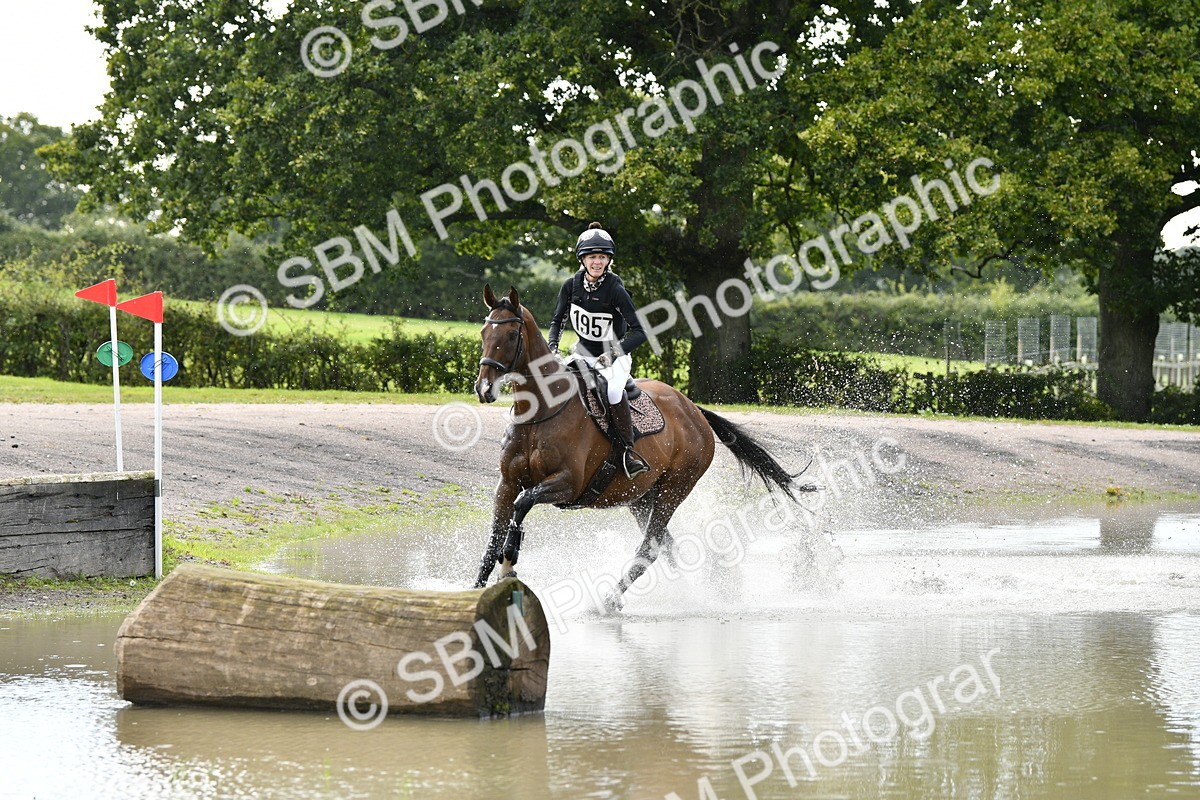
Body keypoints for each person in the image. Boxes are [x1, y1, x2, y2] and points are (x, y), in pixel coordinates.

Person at [547, 222, 650, 478]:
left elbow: (640, 331)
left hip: (614, 356)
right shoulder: (571, 285)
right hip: (581, 353)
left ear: (608, 260)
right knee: (551, 381)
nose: (597, 262)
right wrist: (552, 346)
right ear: (583, 259)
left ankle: (628, 451)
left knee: (614, 391)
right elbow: (558, 321)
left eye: (602, 257)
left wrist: (613, 353)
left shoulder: (615, 289)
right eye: (592, 256)